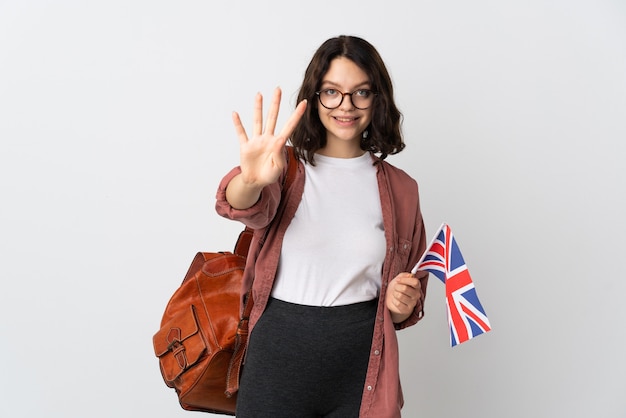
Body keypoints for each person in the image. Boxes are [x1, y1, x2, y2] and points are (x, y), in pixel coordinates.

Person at [215, 35, 429, 418]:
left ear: (377, 99)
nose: (346, 105)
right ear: (314, 98)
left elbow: (403, 306)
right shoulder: (284, 169)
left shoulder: (402, 190)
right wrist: (250, 179)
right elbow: (241, 206)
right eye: (331, 92)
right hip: (278, 357)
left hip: (362, 365)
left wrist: (401, 303)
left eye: (361, 92)